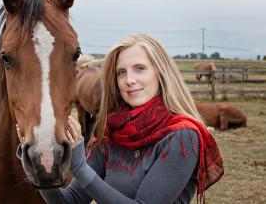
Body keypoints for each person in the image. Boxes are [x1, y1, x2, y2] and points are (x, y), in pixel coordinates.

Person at [17, 34, 224, 203]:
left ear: (160, 73)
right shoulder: (112, 132)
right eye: (121, 73)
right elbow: (69, 201)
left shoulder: (182, 136)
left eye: (140, 69)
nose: (129, 80)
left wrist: (80, 167)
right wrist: (39, 171)